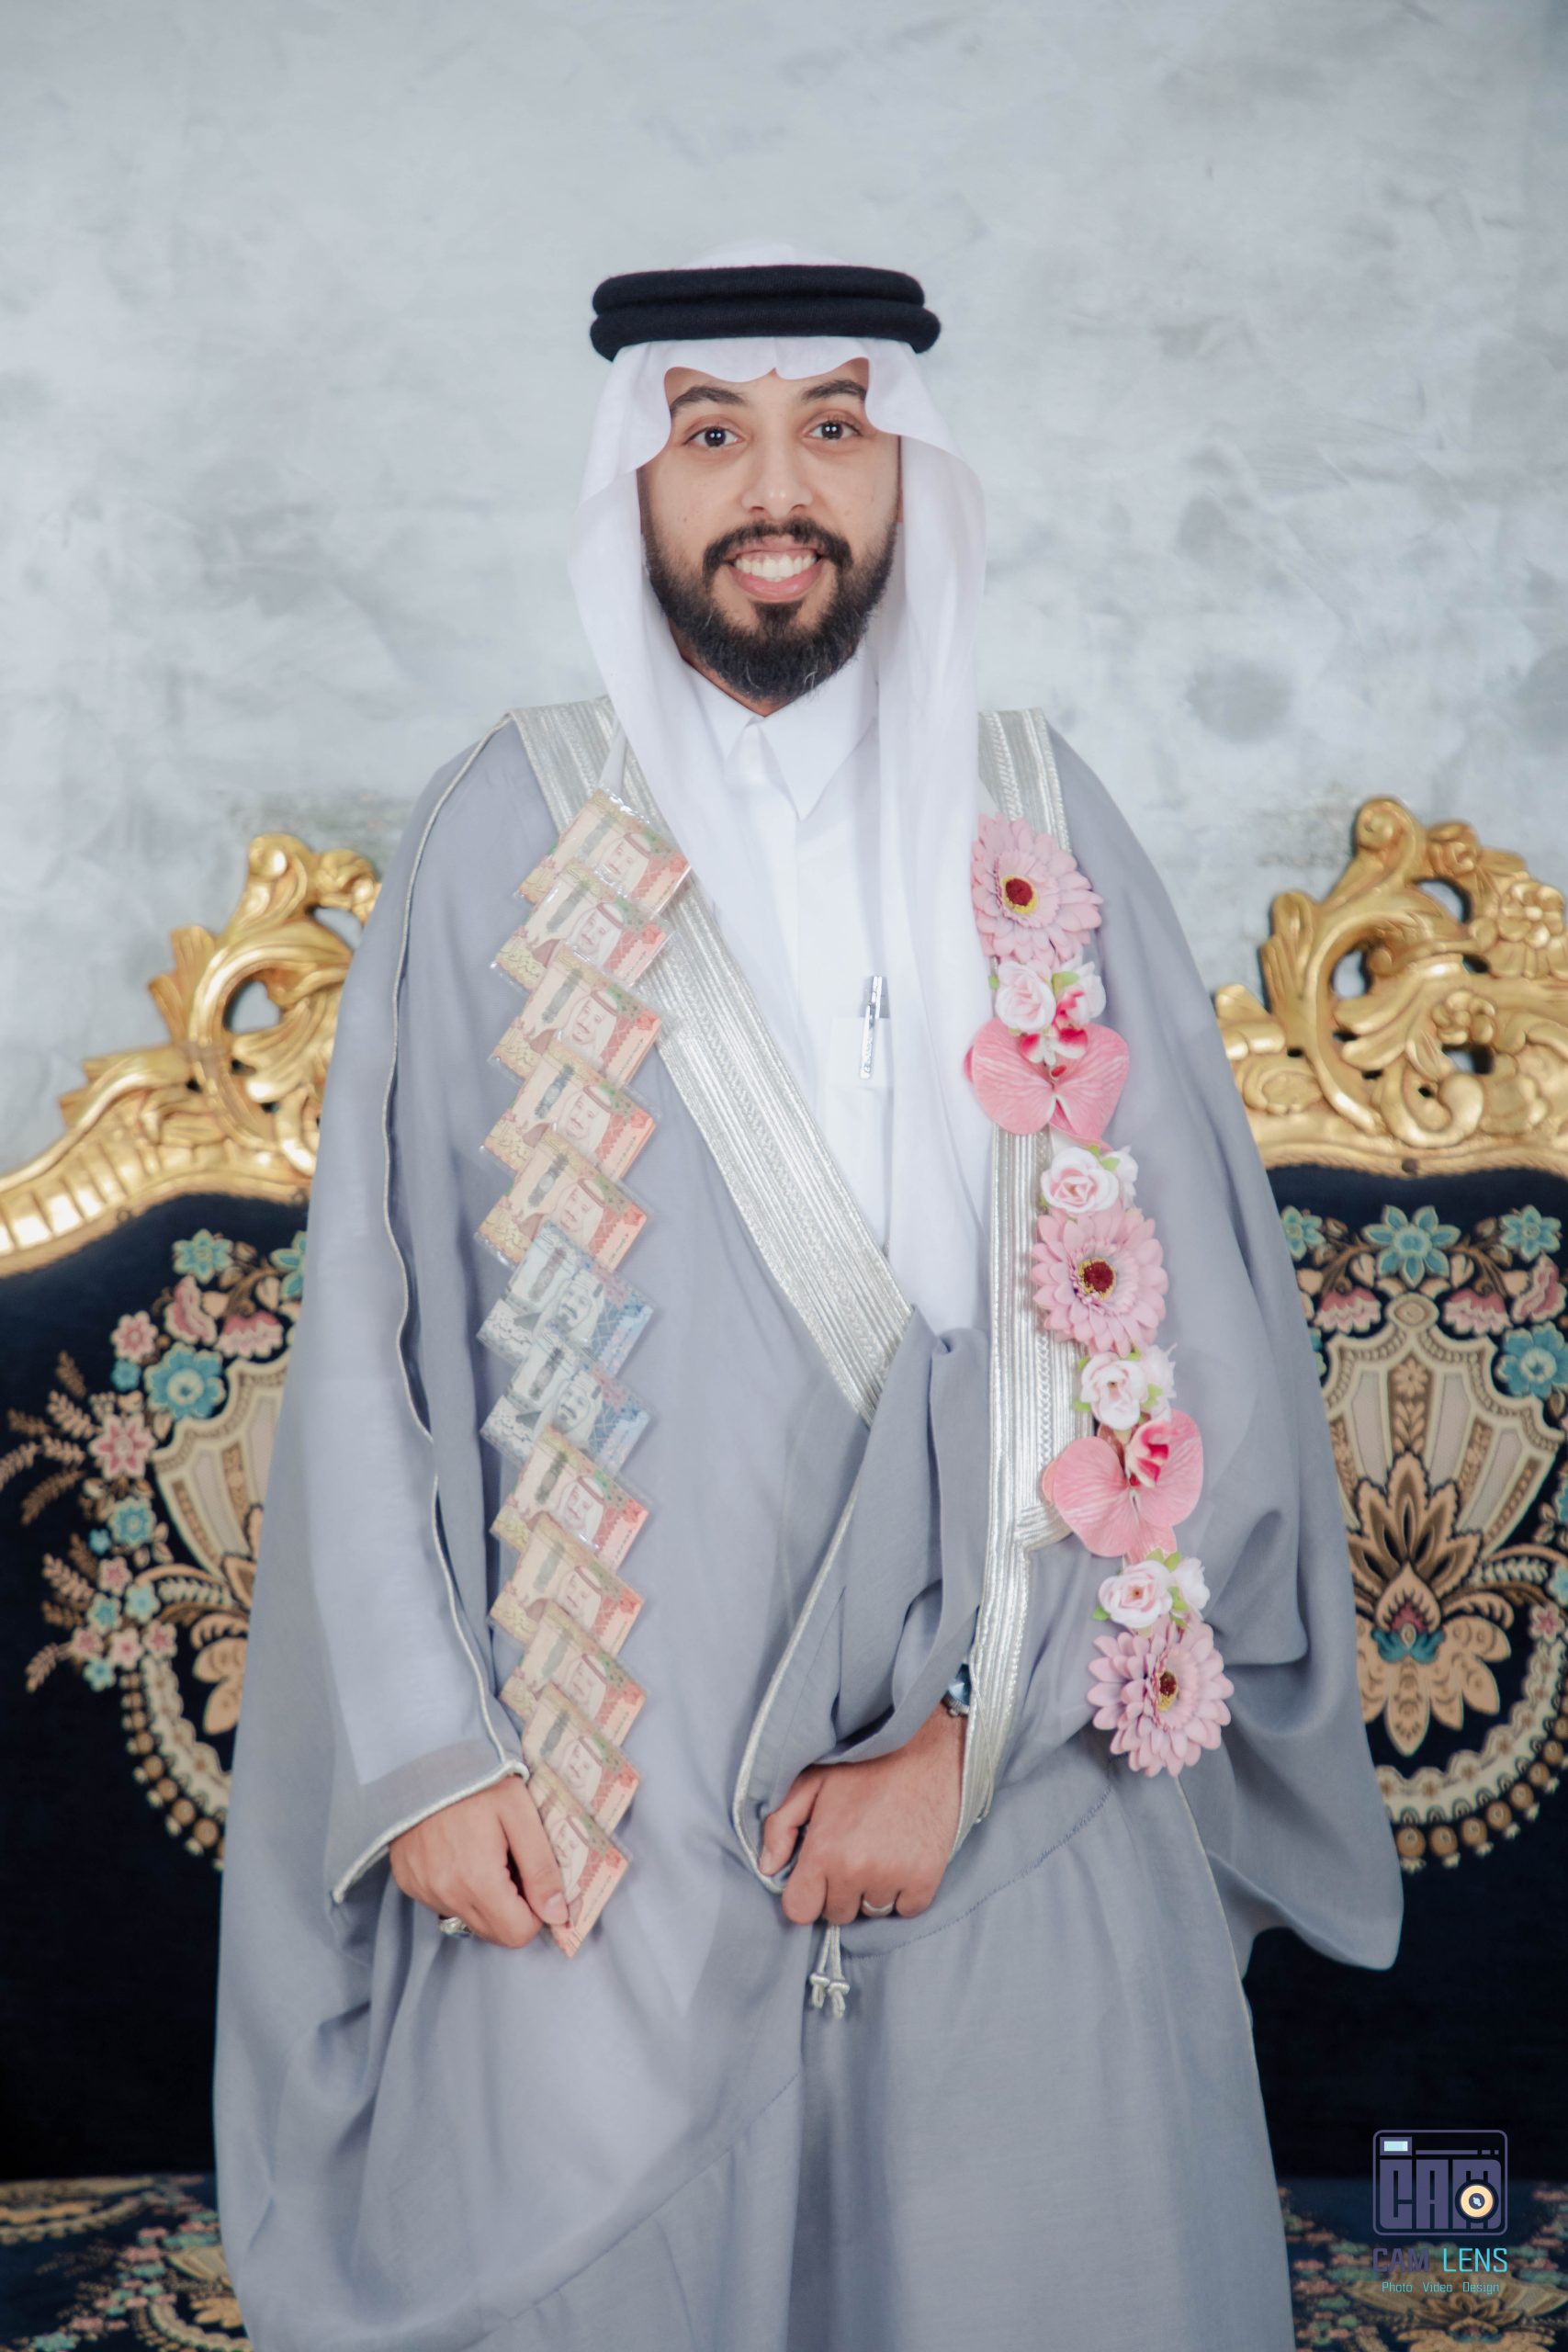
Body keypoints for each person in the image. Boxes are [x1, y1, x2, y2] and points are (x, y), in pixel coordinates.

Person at [214, 240, 1404, 2352]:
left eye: (831, 426)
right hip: (603, 1820)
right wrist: (425, 1757)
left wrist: (970, 1740)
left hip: (1019, 1775)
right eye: (711, 433)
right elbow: (370, 1350)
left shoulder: (1039, 820)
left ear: (901, 467)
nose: (776, 489)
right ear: (636, 479)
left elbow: (1197, 1363)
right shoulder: (502, 834)